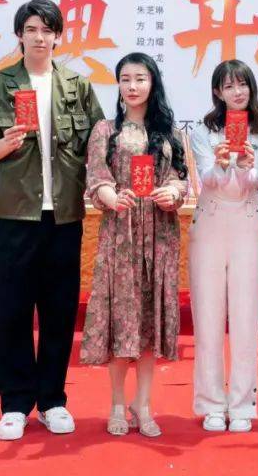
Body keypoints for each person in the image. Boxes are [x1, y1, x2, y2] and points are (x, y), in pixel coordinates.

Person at [0, 0, 104, 440]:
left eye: (47, 30)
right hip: (16, 213)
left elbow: (98, 146)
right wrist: (6, 143)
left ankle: (52, 400)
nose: (39, 37)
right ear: (20, 36)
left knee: (59, 310)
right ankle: (13, 403)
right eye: (31, 29)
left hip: (64, 215)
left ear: (58, 36)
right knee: (11, 310)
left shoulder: (77, 86)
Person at [80, 52, 189, 438]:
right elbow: (97, 176)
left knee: (148, 323)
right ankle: (115, 403)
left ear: (152, 83)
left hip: (160, 235)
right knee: (122, 319)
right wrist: (111, 196)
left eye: (140, 78)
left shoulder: (170, 132)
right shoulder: (104, 129)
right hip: (121, 234)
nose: (132, 86)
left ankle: (142, 404)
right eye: (125, 79)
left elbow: (180, 179)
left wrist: (172, 193)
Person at [189, 59, 258, 433]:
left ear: (251, 88)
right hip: (209, 226)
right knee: (207, 316)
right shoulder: (202, 131)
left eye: (242, 85)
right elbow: (207, 180)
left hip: (247, 227)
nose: (237, 92)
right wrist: (221, 164)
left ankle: (242, 404)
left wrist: (243, 165)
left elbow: (252, 183)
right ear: (217, 92)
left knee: (246, 318)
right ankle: (211, 403)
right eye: (228, 86)